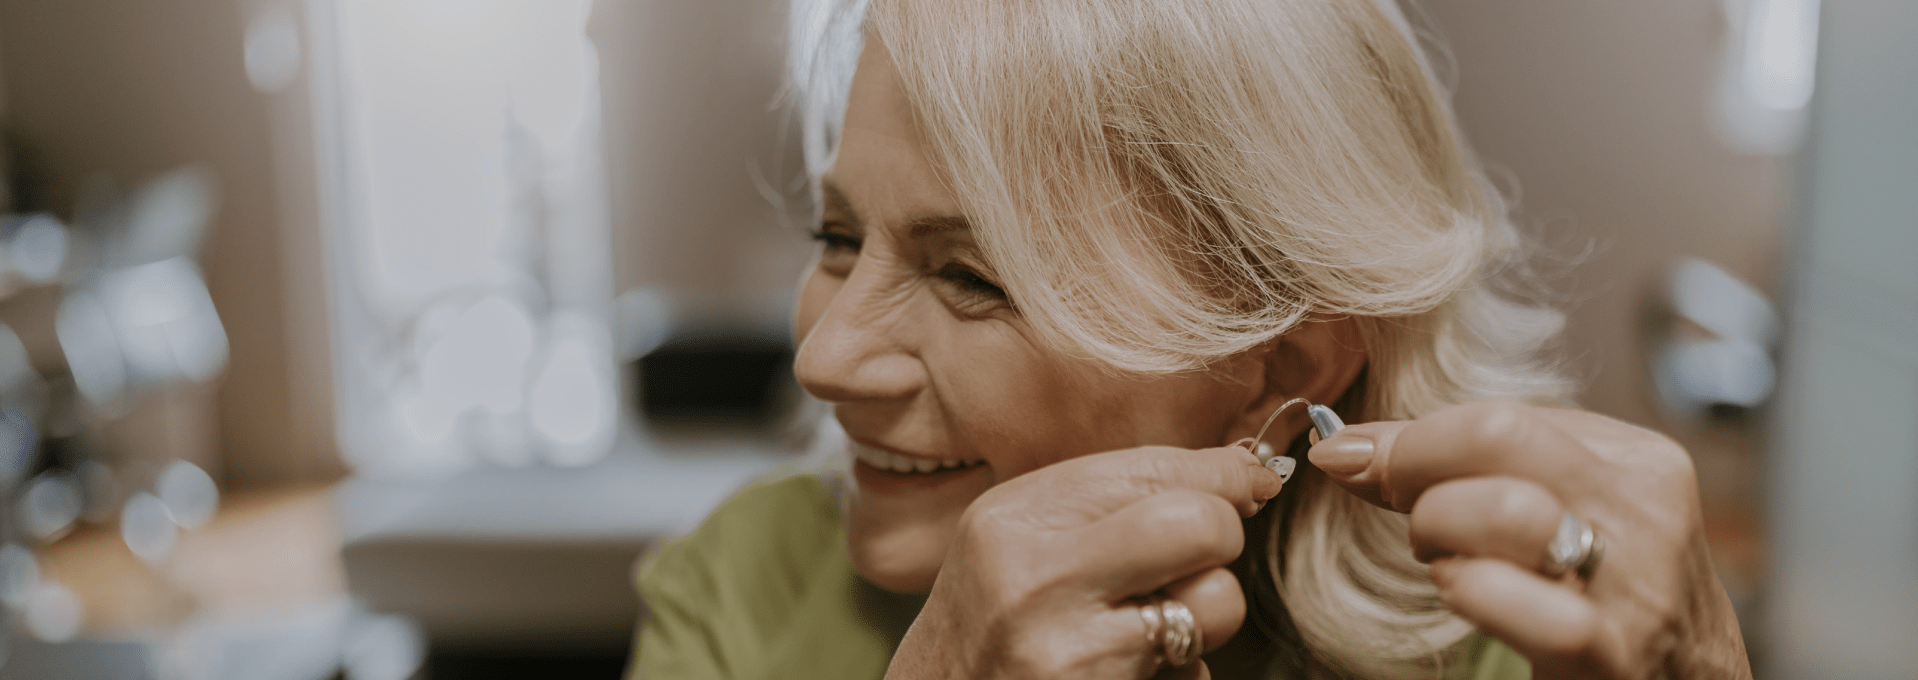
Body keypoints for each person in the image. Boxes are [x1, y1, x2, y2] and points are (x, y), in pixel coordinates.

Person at [630, 0, 1752, 678]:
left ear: (1282, 374)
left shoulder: (1510, 636)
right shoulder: (739, 593)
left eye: (973, 277)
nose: (823, 359)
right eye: (836, 238)